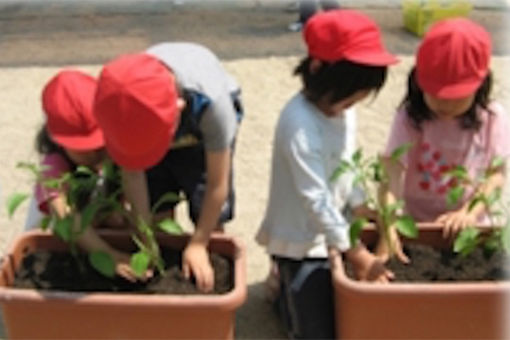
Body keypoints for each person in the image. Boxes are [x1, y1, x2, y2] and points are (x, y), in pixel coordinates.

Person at [256, 10, 398, 339]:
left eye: (357, 100)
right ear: (317, 70)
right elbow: (315, 199)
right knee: (316, 330)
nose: (350, 107)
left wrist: (362, 207)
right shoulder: (299, 125)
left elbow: (347, 165)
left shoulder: (342, 111)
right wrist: (358, 254)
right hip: (302, 241)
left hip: (339, 228)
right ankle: (283, 280)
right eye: (347, 97)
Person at [94, 42, 243, 293]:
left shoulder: (213, 107)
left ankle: (205, 247)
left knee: (207, 210)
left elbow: (218, 184)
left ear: (178, 109)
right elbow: (133, 173)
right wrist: (145, 239)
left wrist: (198, 243)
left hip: (201, 138)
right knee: (157, 204)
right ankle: (163, 248)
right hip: (148, 117)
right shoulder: (123, 103)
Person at [377, 18, 510, 263]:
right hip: (418, 227)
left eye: (457, 96)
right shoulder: (409, 117)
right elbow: (392, 171)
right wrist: (389, 229)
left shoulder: (493, 118)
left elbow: (496, 174)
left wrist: (468, 213)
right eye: (436, 94)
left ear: (481, 84)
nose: (445, 104)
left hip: (471, 228)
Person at [35, 70, 147, 281]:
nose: (95, 154)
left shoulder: (113, 151)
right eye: (83, 148)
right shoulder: (54, 167)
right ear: (58, 140)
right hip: (64, 231)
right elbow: (66, 218)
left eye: (99, 145)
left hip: (95, 228)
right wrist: (110, 256)